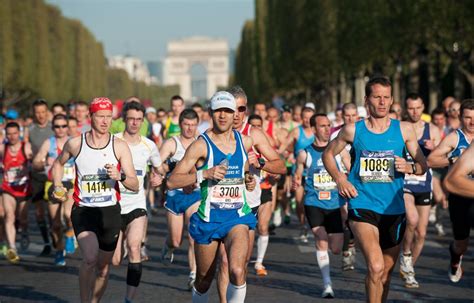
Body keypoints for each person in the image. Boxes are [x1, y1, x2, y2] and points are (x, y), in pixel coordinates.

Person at [322, 76, 427, 302]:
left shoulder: (405, 130)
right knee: (376, 266)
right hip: (363, 205)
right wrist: (340, 179)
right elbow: (327, 154)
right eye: (377, 97)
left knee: (385, 275)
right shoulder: (353, 130)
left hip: (394, 208)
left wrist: (410, 166)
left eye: (386, 97)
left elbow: (423, 166)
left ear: (391, 100)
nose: (382, 102)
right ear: (366, 99)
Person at [168, 91, 258, 303]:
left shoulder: (245, 141)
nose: (223, 116)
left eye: (228, 111)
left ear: (235, 113)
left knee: (237, 270)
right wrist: (203, 174)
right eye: (218, 111)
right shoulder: (201, 145)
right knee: (203, 280)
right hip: (209, 219)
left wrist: (248, 180)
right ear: (210, 113)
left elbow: (244, 170)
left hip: (237, 217)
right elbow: (172, 180)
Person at [51, 97, 139, 303]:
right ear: (90, 117)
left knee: (103, 267)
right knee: (90, 259)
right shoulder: (75, 143)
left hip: (109, 212)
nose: (105, 121)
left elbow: (135, 184)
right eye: (100, 116)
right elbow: (57, 164)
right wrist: (57, 185)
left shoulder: (119, 146)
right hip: (84, 210)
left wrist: (121, 177)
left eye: (109, 117)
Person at [111, 101, 162, 303]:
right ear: (124, 119)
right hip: (113, 205)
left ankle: (129, 299)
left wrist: (159, 179)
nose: (134, 123)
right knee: (114, 261)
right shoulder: (112, 141)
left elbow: (159, 169)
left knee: (134, 248)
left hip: (137, 205)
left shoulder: (149, 145)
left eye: (138, 120)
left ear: (143, 121)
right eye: (131, 119)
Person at [294, 113, 344, 298]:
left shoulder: (338, 151)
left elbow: (350, 168)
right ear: (314, 129)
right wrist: (296, 179)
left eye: (328, 125)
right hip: (313, 202)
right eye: (322, 126)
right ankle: (327, 284)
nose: (326, 129)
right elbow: (298, 173)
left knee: (336, 248)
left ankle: (348, 240)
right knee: (321, 238)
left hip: (334, 204)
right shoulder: (305, 153)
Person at [427, 98, 474, 283]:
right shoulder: (455, 137)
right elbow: (431, 160)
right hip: (459, 195)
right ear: (461, 118)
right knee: (461, 243)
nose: (472, 122)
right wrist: (454, 160)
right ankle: (455, 256)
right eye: (468, 117)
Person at [399, 94, 441, 288]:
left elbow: (442, 158)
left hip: (424, 183)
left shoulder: (433, 130)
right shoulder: (399, 128)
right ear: (406, 109)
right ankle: (405, 254)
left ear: (423, 107)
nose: (415, 112)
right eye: (411, 108)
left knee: (422, 233)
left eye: (418, 108)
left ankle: (409, 268)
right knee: (412, 220)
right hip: (406, 182)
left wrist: (435, 148)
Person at [159, 109, 201, 289]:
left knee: (193, 235)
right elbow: (157, 164)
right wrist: (164, 170)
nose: (190, 129)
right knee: (176, 241)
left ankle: (193, 274)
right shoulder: (172, 143)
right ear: (180, 124)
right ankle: (168, 246)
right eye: (186, 125)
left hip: (195, 194)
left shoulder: (201, 143)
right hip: (175, 195)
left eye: (193, 125)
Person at [32, 114, 77, 266]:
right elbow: (36, 163)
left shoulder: (74, 142)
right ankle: (59, 250)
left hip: (71, 184)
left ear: (68, 127)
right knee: (56, 224)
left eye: (64, 126)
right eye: (57, 126)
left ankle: (70, 233)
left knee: (67, 214)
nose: (61, 129)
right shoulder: (48, 143)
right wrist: (44, 162)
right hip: (53, 185)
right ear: (53, 128)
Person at [277, 107, 316, 242]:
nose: (307, 120)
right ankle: (303, 224)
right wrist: (285, 155)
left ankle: (317, 226)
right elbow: (282, 147)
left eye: (309, 117)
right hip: (298, 173)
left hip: (316, 174)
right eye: (304, 117)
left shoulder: (318, 131)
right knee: (300, 202)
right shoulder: (296, 131)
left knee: (314, 203)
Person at [329, 102, 358, 271]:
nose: (350, 118)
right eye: (347, 115)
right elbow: (327, 156)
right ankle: (347, 250)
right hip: (339, 180)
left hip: (359, 180)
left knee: (353, 217)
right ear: (342, 115)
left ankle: (352, 242)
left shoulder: (363, 132)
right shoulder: (335, 134)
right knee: (345, 214)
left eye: (354, 115)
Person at [25, 99, 54, 255]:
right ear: (33, 113)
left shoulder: (54, 127)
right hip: (36, 174)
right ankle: (47, 242)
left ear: (47, 111)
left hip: (52, 174)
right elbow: (25, 146)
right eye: (37, 112)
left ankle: (57, 235)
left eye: (43, 112)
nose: (41, 115)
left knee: (52, 211)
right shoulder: (29, 129)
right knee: (39, 212)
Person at [1, 122, 33, 263]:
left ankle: (24, 232)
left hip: (24, 189)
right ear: (5, 135)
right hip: (8, 188)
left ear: (19, 133)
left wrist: (30, 164)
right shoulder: (3, 148)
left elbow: (33, 160)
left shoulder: (25, 147)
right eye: (9, 134)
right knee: (9, 216)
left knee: (23, 218)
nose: (12, 136)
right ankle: (12, 247)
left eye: (15, 133)